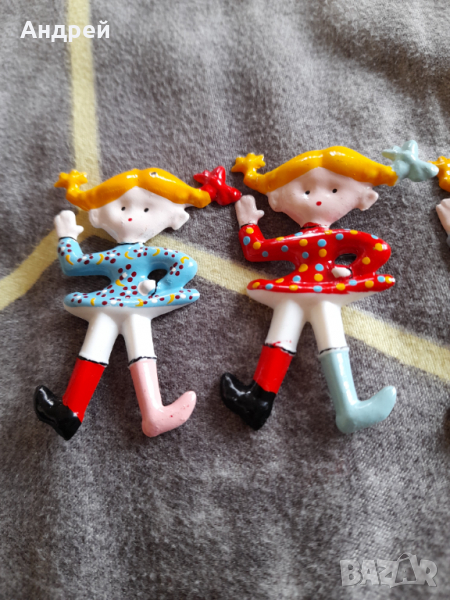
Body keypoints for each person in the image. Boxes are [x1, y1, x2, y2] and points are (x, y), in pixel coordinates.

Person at [34, 166, 240, 440]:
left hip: (134, 305)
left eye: (146, 209)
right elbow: (73, 264)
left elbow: (186, 264)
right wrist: (67, 238)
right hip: (110, 305)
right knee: (101, 344)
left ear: (175, 218)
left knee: (131, 344)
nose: (132, 215)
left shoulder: (148, 253)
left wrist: (159, 287)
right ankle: (71, 412)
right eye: (121, 207)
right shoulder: (113, 256)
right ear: (97, 215)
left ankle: (149, 413)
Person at [221, 146, 402, 434]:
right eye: (305, 190)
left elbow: (379, 249)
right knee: (286, 333)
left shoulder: (338, 237)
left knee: (323, 331)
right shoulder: (305, 240)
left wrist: (352, 271)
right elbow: (256, 251)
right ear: (277, 201)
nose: (318, 198)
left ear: (364, 198)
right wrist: (248, 223)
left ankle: (347, 406)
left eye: (334, 190)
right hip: (296, 292)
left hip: (321, 291)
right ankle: (258, 399)